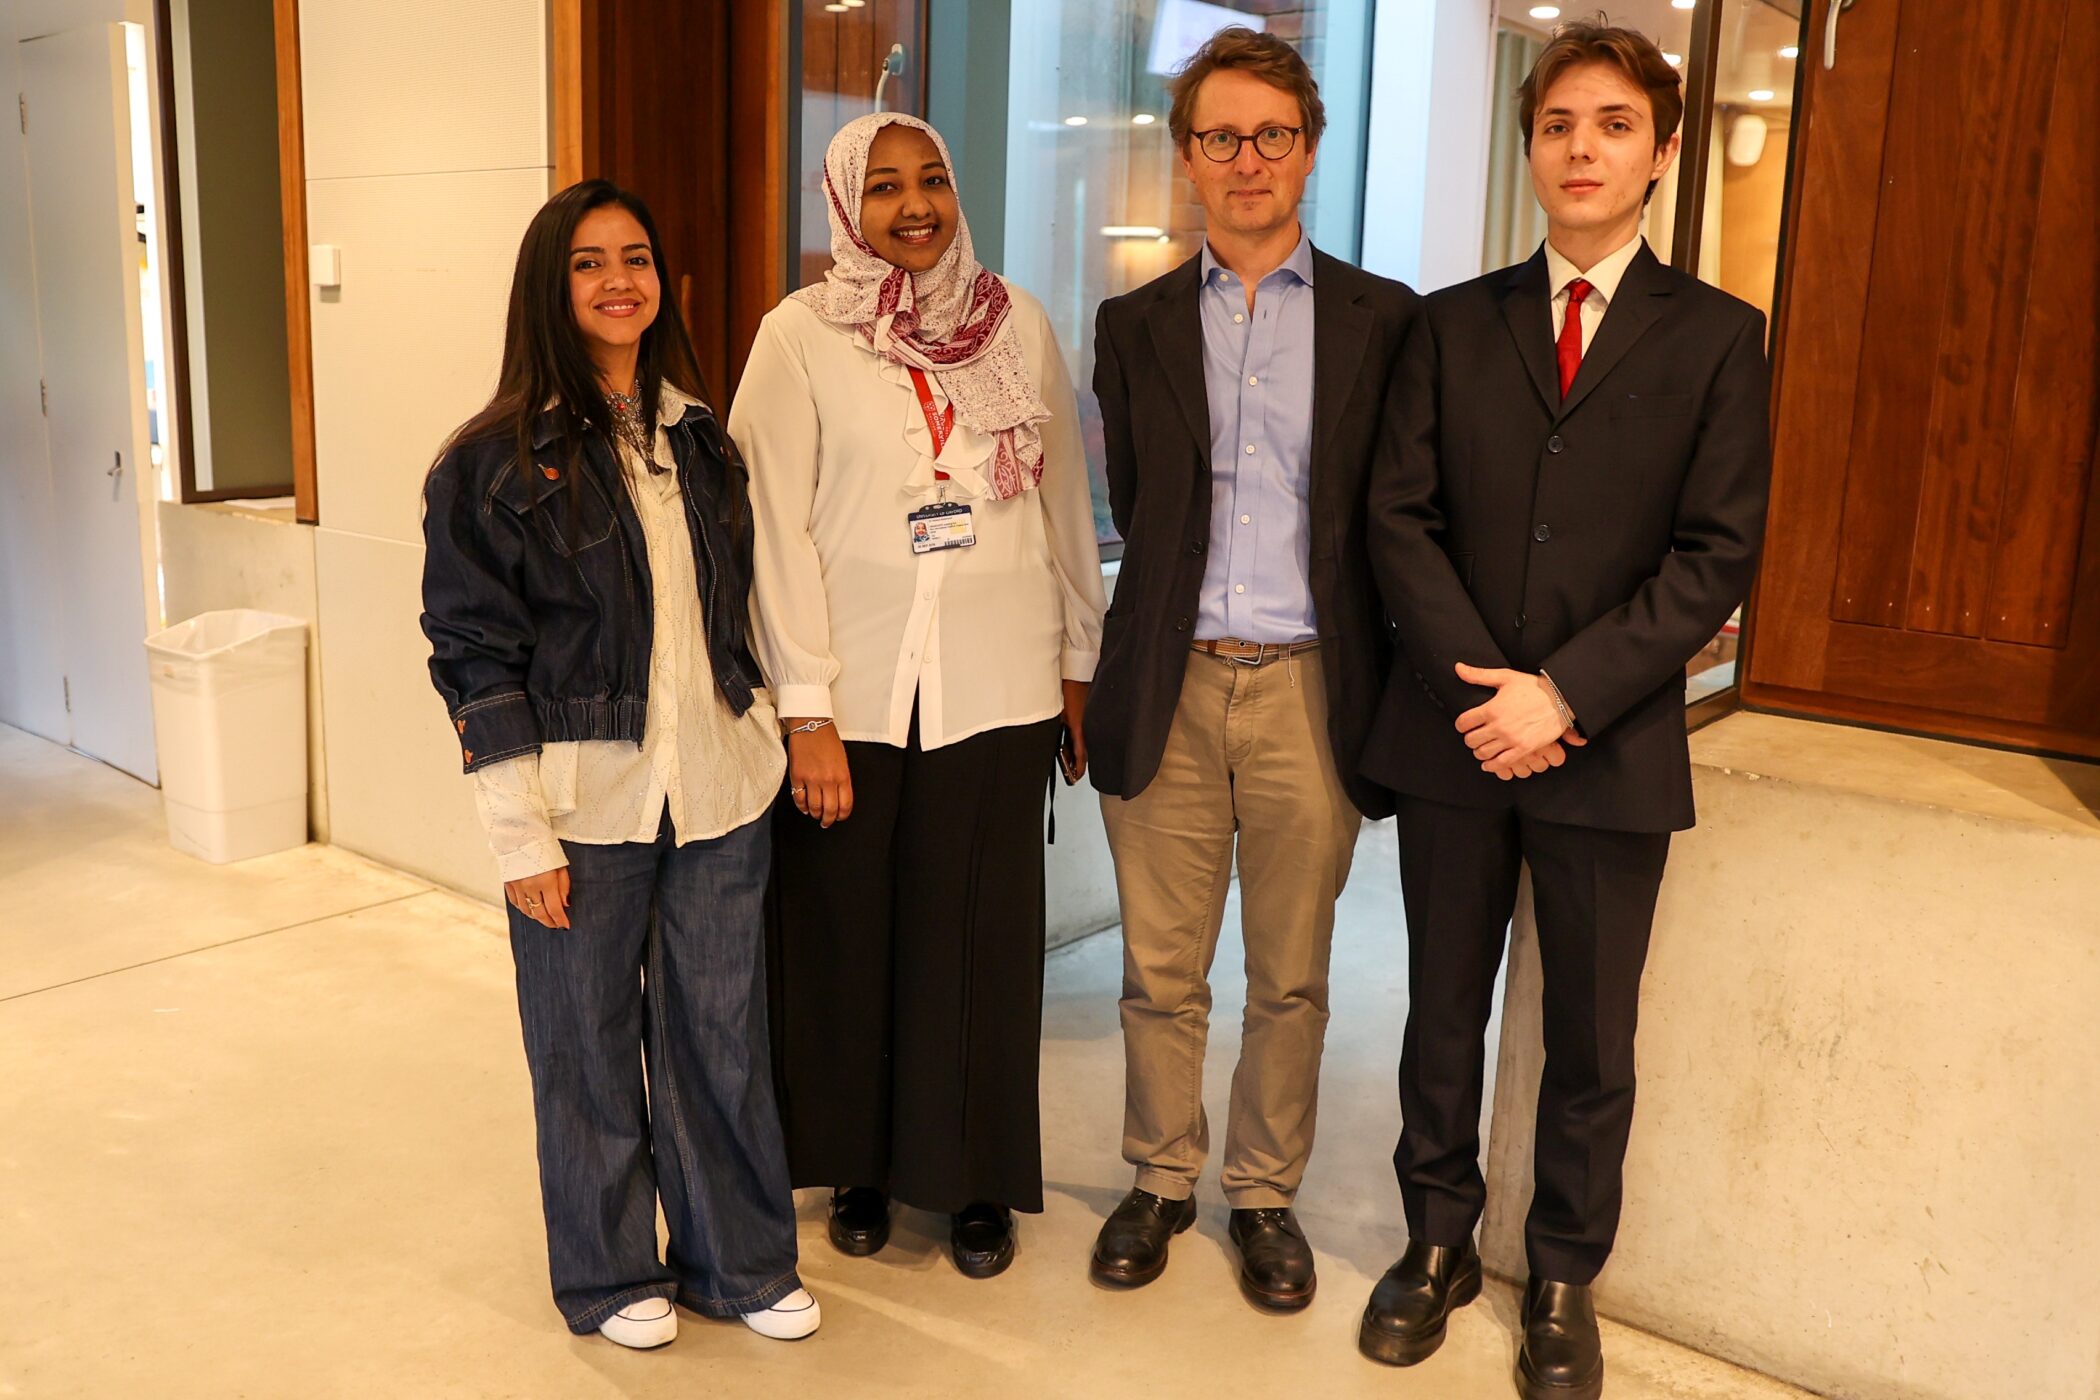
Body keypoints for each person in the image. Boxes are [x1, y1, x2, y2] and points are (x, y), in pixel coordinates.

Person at [1355, 22, 1771, 1399]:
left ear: (1657, 153)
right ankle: (1435, 1244)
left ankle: (1563, 1276)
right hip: (1459, 738)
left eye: (1610, 125)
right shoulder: (1447, 322)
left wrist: (1566, 694)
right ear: (1528, 147)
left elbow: (1716, 555)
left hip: (1608, 746)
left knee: (1593, 1038)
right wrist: (1491, 695)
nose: (1581, 148)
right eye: (1557, 125)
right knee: (1438, 1014)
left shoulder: (1719, 338)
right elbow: (1397, 517)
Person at [419, 180, 818, 1350]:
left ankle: (736, 1261)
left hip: (720, 787)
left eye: (636, 257)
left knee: (721, 1037)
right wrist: (517, 835)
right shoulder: (491, 461)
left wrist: (775, 726)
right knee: (584, 1044)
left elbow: (739, 606)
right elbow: (474, 656)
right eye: (589, 263)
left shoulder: (699, 436)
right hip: (580, 801)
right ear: (552, 286)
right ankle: (604, 1275)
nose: (618, 281)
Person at [729, 113, 1105, 1279]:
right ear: (845, 204)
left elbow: (1062, 504)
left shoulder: (1017, 322)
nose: (915, 206)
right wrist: (806, 707)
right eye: (883, 186)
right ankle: (863, 1166)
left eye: (932, 179)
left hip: (998, 685)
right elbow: (769, 531)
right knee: (853, 939)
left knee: (982, 943)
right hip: (858, 697)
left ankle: (978, 1180)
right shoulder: (797, 336)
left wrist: (1077, 665)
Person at [1083, 26, 1419, 1311]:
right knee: (1161, 970)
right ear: (1185, 160)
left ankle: (1263, 1190)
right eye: (1219, 136)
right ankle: (1162, 1175)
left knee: (1291, 971)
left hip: (1311, 684)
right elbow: (1137, 504)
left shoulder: (1390, 321)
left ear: (1310, 151)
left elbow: (1396, 514)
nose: (1246, 159)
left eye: (1271, 134)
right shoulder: (1135, 322)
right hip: (1168, 680)